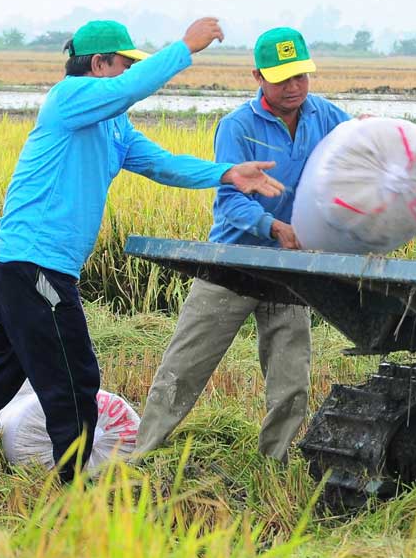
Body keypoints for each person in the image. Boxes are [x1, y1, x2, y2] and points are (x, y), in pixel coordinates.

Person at [0, 18, 284, 492]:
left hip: (18, 263)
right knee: (73, 377)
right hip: (33, 265)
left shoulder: (113, 125)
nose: (129, 70)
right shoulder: (69, 98)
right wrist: (185, 48)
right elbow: (131, 88)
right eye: (124, 63)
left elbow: (161, 164)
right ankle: (73, 487)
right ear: (98, 64)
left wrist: (228, 173)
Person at [134, 27, 350, 461]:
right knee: (184, 367)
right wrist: (272, 227)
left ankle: (275, 463)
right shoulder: (237, 127)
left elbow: (357, 155)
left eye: (301, 77)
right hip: (232, 263)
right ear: (257, 76)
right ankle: (141, 457)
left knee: (291, 377)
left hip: (290, 268)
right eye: (283, 78)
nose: (294, 88)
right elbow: (230, 201)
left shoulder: (326, 117)